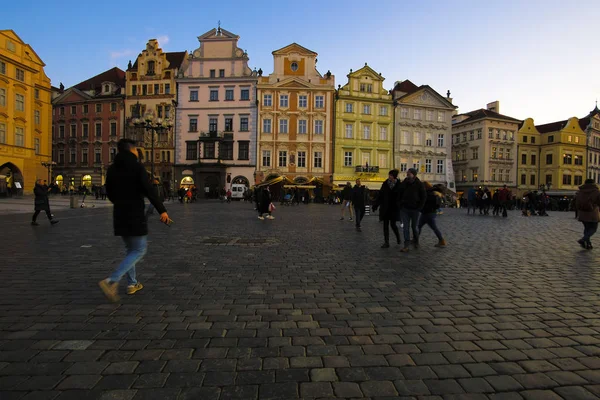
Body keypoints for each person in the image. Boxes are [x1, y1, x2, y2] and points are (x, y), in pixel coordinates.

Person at [99, 139, 169, 303]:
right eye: (137, 150)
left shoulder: (112, 169)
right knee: (139, 250)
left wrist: (120, 201)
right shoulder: (137, 168)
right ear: (132, 150)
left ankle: (132, 283)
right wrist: (162, 210)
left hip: (119, 214)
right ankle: (112, 280)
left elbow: (108, 191)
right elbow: (150, 191)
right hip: (134, 213)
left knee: (131, 249)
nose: (138, 152)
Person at [372, 170, 402, 248]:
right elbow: (380, 195)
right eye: (389, 175)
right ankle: (386, 242)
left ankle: (398, 238)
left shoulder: (399, 185)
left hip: (394, 208)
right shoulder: (385, 184)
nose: (389, 176)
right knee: (385, 225)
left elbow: (401, 196)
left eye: (391, 175)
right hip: (385, 207)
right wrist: (375, 205)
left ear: (394, 176)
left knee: (393, 225)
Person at [400, 168, 426, 252]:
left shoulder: (419, 184)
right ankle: (406, 245)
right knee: (405, 228)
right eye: (407, 173)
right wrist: (400, 204)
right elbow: (399, 193)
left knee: (414, 227)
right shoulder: (404, 183)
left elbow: (423, 196)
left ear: (414, 175)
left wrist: (419, 208)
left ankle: (416, 240)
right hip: (405, 209)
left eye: (409, 173)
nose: (407, 175)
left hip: (415, 209)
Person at [419, 182, 446, 247]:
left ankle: (442, 240)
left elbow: (425, 203)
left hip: (428, 213)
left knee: (433, 227)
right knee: (419, 226)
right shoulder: (434, 193)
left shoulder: (428, 194)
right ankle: (415, 238)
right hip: (429, 212)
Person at [576, 179, 600, 250]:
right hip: (593, 213)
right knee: (593, 229)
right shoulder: (596, 191)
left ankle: (588, 244)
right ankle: (584, 239)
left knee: (587, 229)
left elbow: (577, 203)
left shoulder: (580, 192)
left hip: (583, 213)